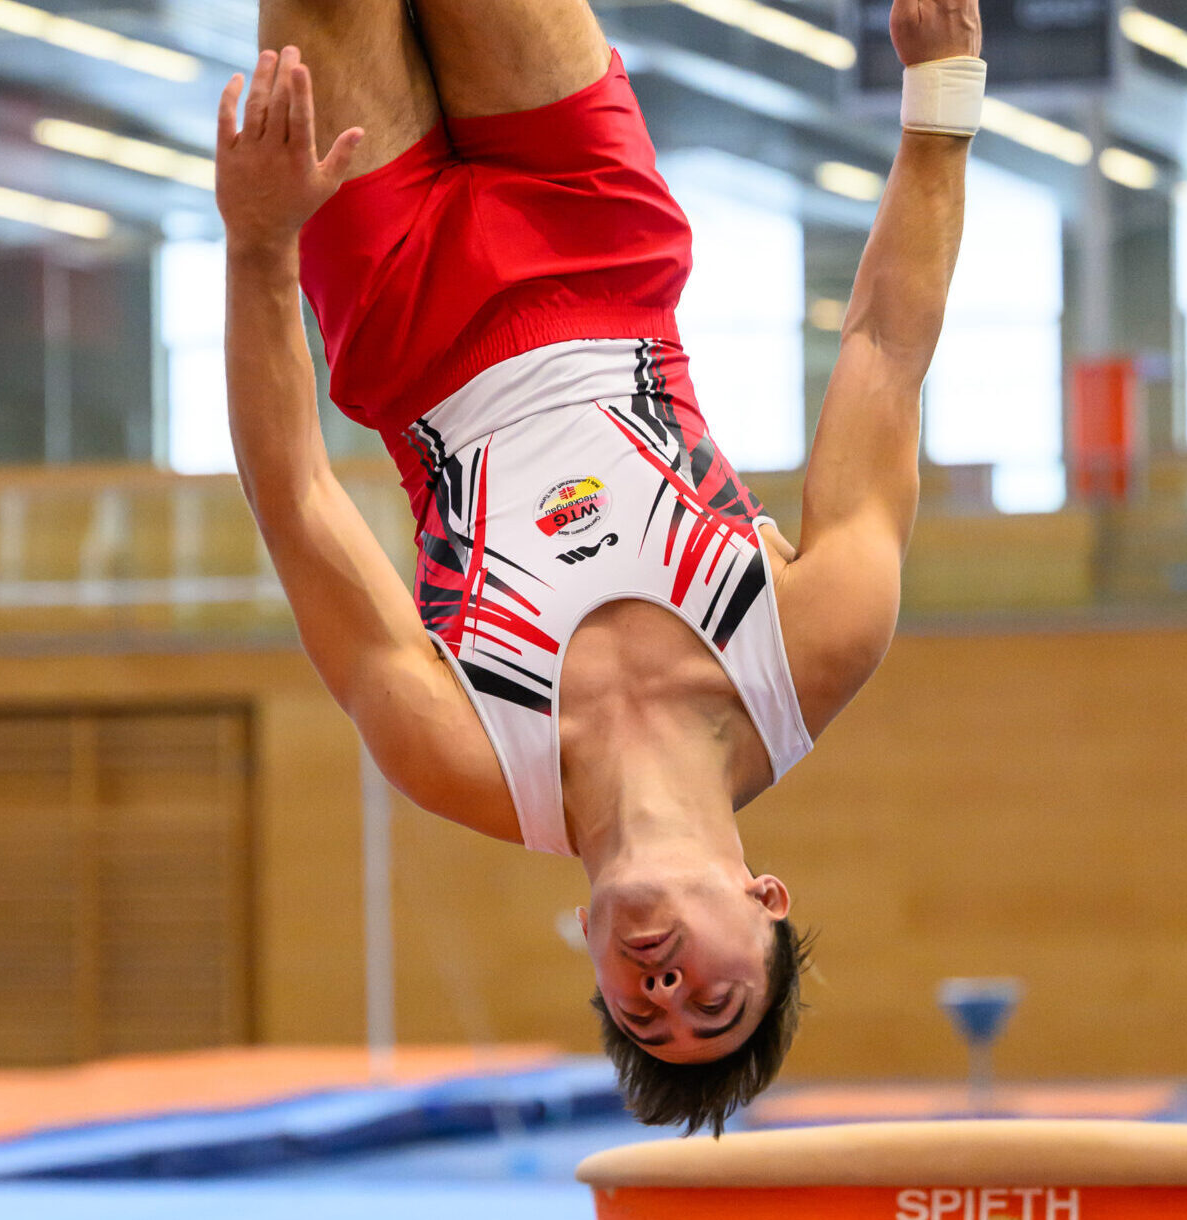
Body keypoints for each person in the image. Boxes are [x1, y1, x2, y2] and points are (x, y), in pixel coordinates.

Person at [217, 0, 984, 1134]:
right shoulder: (814, 643)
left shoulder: (466, 760)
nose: (663, 989)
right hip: (594, 224)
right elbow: (882, 347)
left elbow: (295, 500)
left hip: (391, 294)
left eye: (638, 1016)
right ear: (766, 903)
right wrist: (942, 93)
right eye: (714, 1003)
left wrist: (259, 248)